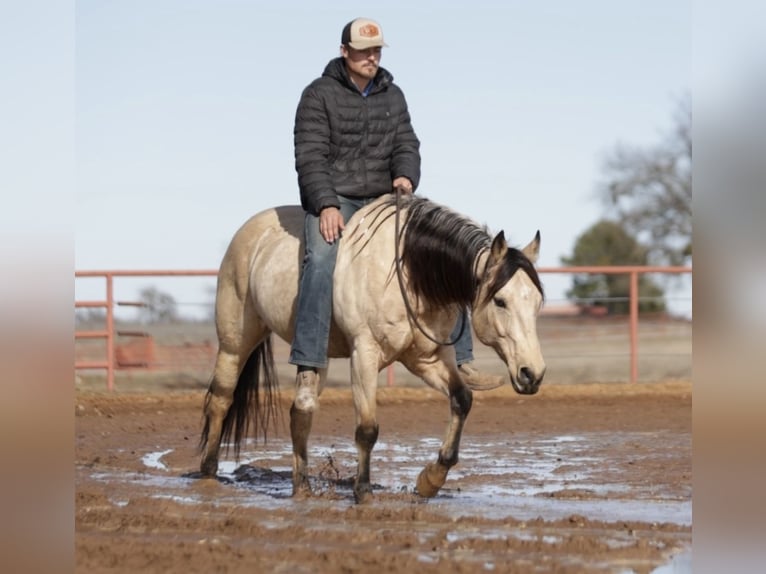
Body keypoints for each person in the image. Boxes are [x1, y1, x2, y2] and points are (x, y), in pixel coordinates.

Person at [289, 17, 503, 402]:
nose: (371, 57)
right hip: (340, 200)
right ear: (344, 52)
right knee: (320, 258)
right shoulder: (317, 95)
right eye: (363, 50)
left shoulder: (393, 94)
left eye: (376, 50)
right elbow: (310, 156)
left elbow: (407, 143)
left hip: (387, 199)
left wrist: (405, 176)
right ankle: (308, 364)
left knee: (448, 249)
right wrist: (326, 205)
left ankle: (464, 357)